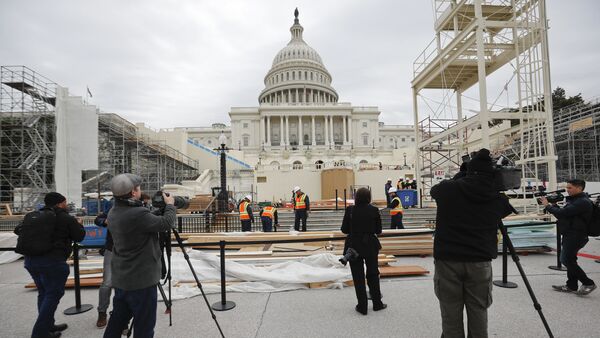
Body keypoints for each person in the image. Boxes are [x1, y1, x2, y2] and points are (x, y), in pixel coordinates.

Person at [431, 148, 513, 338]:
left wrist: (462, 174)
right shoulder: (498, 198)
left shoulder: (448, 190)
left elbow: (436, 190)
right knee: (478, 309)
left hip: (448, 260)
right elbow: (501, 209)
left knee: (450, 311)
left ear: (469, 171)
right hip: (479, 261)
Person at [103, 174, 177, 338]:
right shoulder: (137, 214)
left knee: (117, 321)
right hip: (141, 281)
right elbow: (166, 223)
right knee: (144, 326)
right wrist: (170, 205)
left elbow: (143, 220)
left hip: (122, 278)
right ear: (133, 192)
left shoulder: (113, 212)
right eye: (138, 188)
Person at [15, 192, 86, 338]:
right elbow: (79, 236)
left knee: (44, 293)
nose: (66, 205)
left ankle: (48, 324)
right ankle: (40, 333)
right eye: (65, 203)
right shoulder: (65, 218)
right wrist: (79, 225)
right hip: (52, 262)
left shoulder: (35, 215)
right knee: (52, 295)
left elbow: (18, 230)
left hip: (30, 261)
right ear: (60, 204)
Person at [541, 179, 596, 295]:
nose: (567, 190)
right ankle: (571, 285)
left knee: (565, 259)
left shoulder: (582, 202)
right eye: (567, 187)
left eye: (570, 188)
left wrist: (547, 206)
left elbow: (562, 214)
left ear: (579, 188)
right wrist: (554, 205)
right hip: (570, 233)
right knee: (570, 259)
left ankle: (588, 283)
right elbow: (563, 215)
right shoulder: (575, 200)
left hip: (576, 235)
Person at [341, 187, 386, 315]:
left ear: (356, 197)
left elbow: (344, 230)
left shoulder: (350, 210)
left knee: (358, 277)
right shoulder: (374, 210)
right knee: (373, 274)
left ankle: (362, 306)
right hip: (370, 245)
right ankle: (377, 303)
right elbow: (378, 231)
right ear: (368, 197)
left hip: (353, 246)